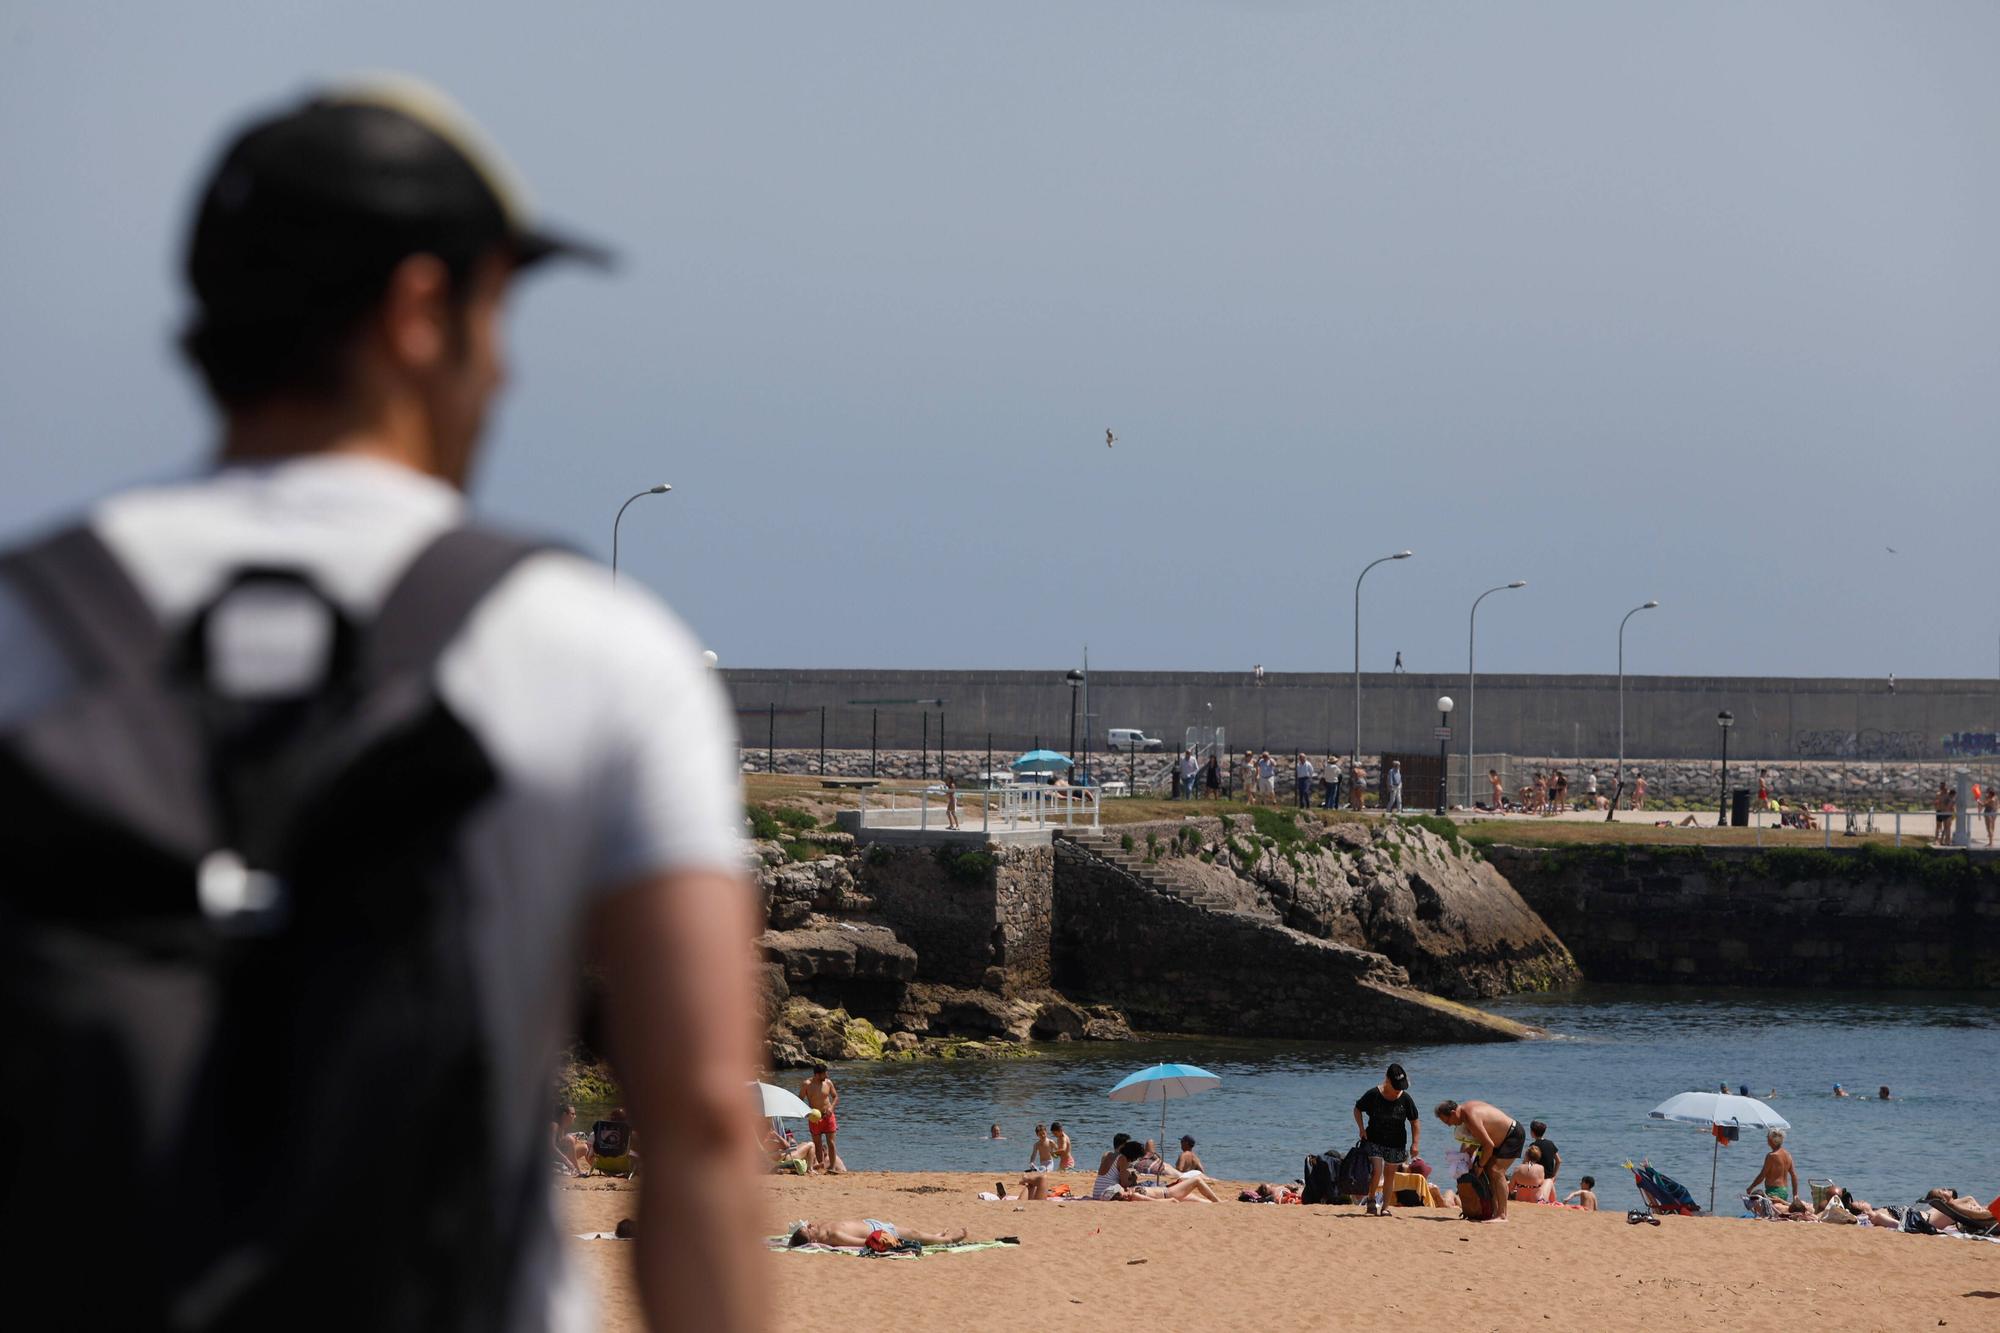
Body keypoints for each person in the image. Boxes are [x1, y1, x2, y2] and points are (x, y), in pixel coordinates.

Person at [0, 78, 762, 1332]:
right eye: (496, 313)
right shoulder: (594, 649)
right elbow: (701, 1123)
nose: (503, 367)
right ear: (420, 310)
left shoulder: (26, 631)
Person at [1434, 1098, 1525, 1219]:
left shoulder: (1470, 1116)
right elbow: (1482, 1136)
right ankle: (1494, 1211)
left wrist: (1480, 1166)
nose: (1450, 1125)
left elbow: (1488, 1145)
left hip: (1512, 1135)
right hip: (1499, 1139)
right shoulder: (1465, 1111)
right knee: (1489, 1171)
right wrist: (1471, 1150)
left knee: (1497, 1171)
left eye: (1447, 1121)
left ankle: (1502, 1215)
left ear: (1452, 1113)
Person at [1353, 1063, 1420, 1217]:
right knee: (1377, 1171)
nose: (1398, 1090)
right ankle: (1371, 1201)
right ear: (1387, 1080)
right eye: (1396, 1086)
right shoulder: (1374, 1094)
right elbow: (1357, 1109)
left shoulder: (1405, 1099)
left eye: (1401, 1086)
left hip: (1396, 1142)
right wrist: (1361, 1129)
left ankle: (1385, 1207)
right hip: (1374, 1139)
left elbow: (1415, 1121)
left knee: (1390, 1175)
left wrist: (1415, 1143)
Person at [788, 1219, 972, 1248]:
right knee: (913, 1233)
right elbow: (861, 1243)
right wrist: (886, 1241)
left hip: (872, 1223)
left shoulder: (823, 1229)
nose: (810, 1224)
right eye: (808, 1228)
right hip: (880, 1231)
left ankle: (935, 1235)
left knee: (915, 1233)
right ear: (812, 1239)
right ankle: (949, 1239)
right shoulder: (832, 1236)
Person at [803, 1063, 841, 1172]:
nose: (827, 1075)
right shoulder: (807, 1084)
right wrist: (806, 1112)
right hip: (814, 1118)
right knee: (817, 1144)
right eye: (824, 1074)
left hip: (828, 1116)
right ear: (817, 1074)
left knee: (831, 1143)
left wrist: (831, 1108)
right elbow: (800, 1099)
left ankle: (832, 1167)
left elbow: (835, 1097)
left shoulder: (828, 1083)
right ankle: (821, 1166)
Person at [1748, 1128, 1799, 1204]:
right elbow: (1794, 1176)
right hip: (1784, 1191)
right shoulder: (1788, 1155)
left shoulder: (1771, 1156)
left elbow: (1762, 1175)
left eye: (1767, 1137)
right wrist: (1795, 1194)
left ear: (1771, 1140)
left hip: (1773, 1191)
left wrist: (1751, 1187)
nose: (1766, 1139)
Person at [590, 1108, 640, 1176]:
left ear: (610, 1119)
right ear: (625, 1120)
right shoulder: (630, 1134)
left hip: (603, 1166)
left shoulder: (596, 1133)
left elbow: (590, 1155)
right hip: (624, 1166)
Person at [552, 1105, 593, 1176]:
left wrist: (572, 1142)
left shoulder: (563, 1127)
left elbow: (559, 1144)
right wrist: (567, 1161)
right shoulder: (554, 1125)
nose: (575, 1116)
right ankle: (578, 1171)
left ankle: (599, 1168)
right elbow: (551, 1146)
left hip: (557, 1157)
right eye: (572, 1114)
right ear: (564, 1115)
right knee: (570, 1139)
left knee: (584, 1148)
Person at [1527, 1120, 1560, 1187]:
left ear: (1533, 1132)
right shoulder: (1550, 1143)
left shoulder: (1533, 1146)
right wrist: (1553, 1176)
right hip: (1549, 1179)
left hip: (1537, 1177)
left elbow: (1527, 1163)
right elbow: (1558, 1161)